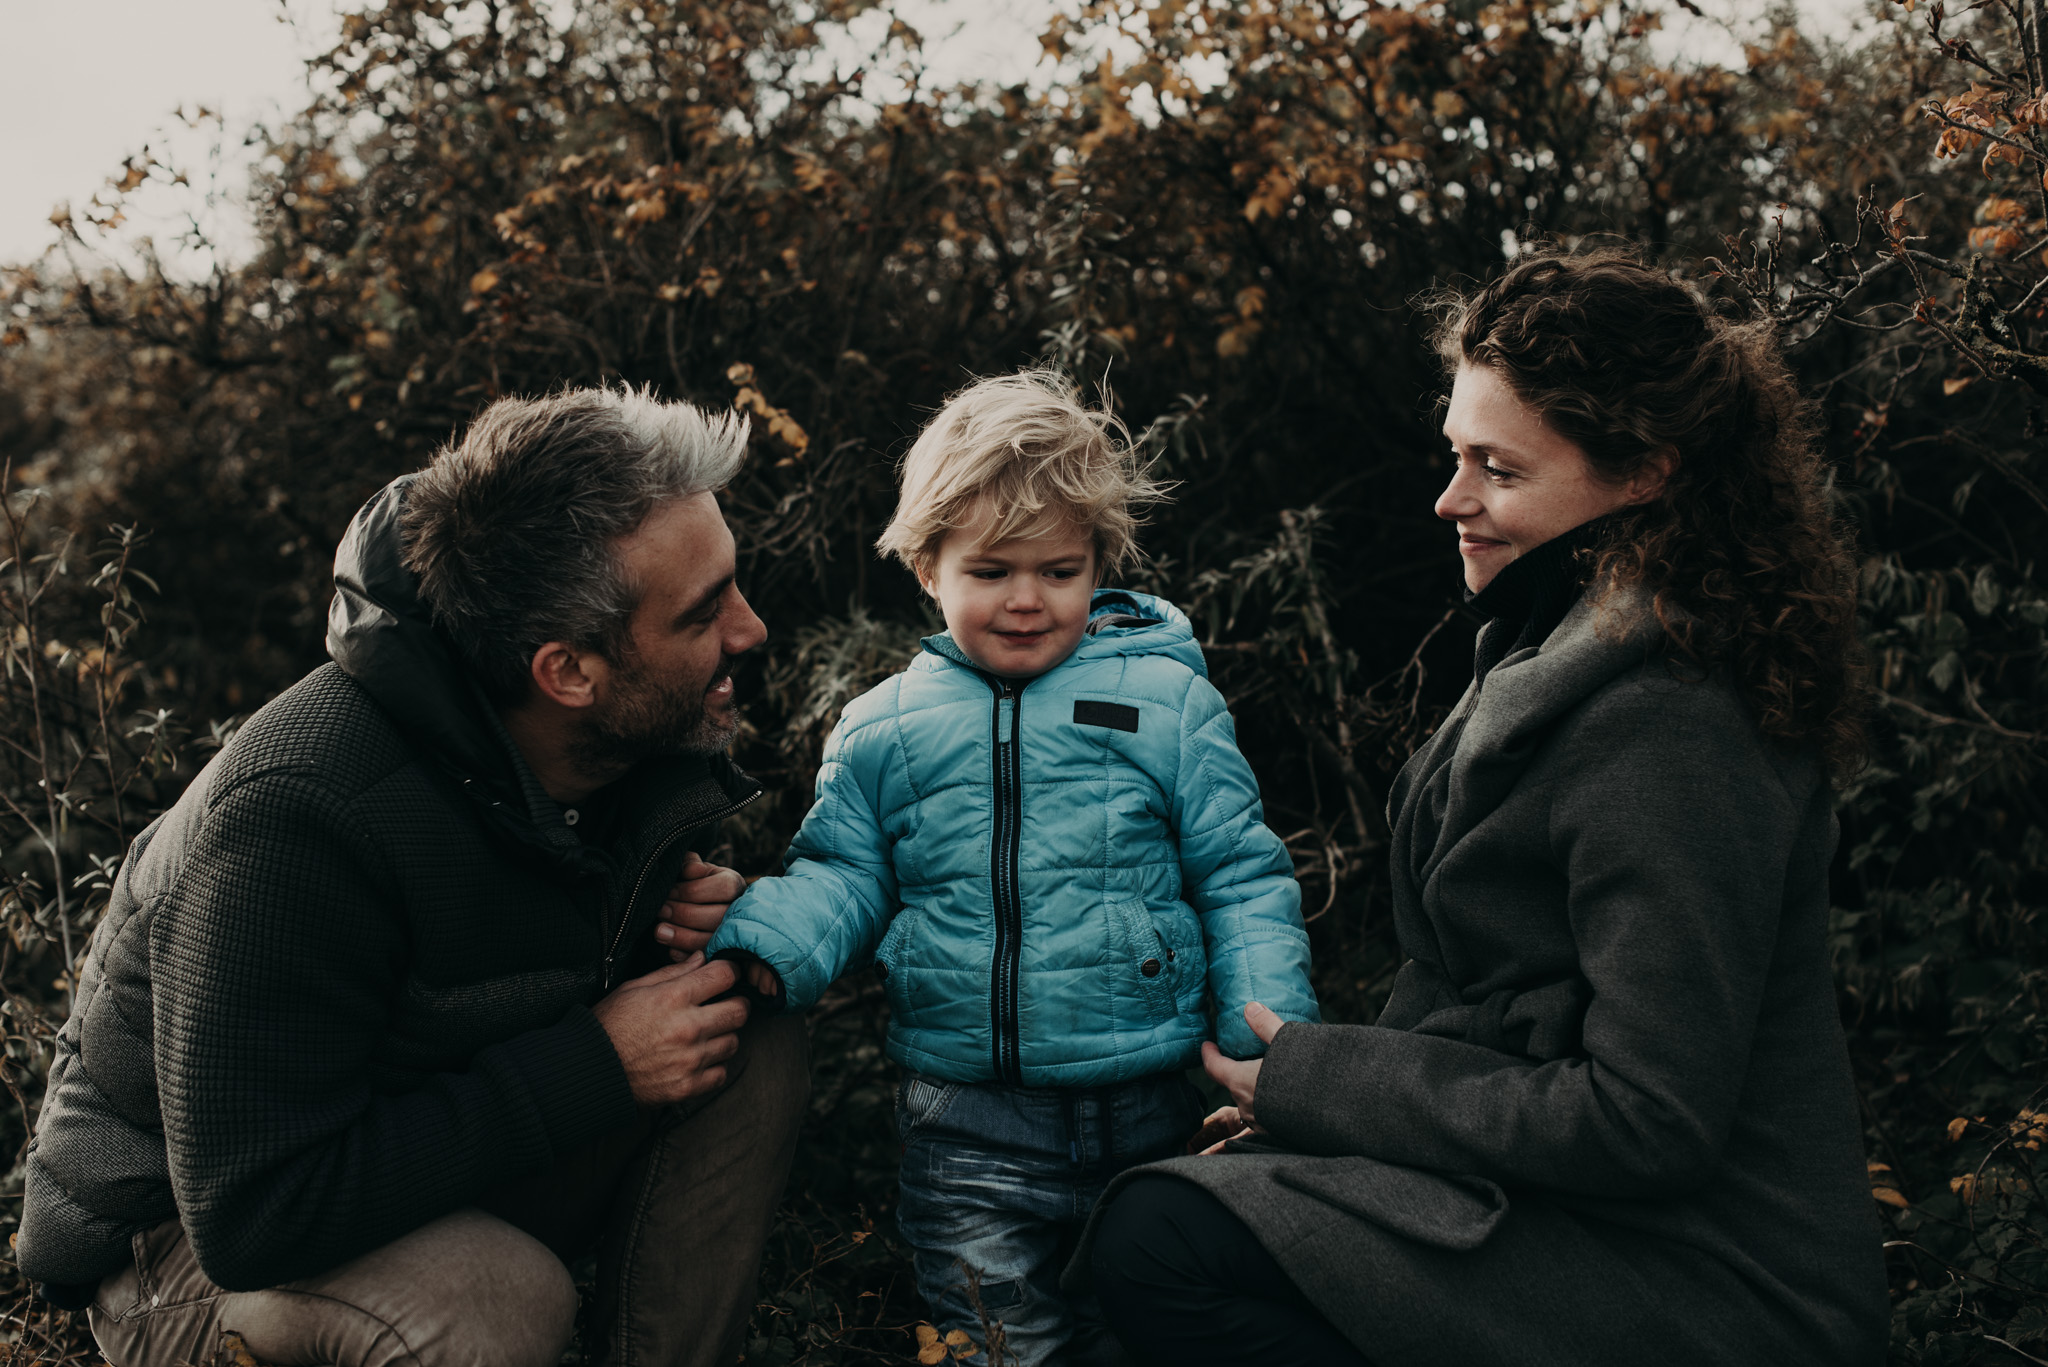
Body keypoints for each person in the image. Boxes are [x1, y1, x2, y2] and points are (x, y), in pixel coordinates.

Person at [1079, 250, 1892, 1366]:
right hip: (1561, 1207)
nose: (1448, 500)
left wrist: (1330, 1084)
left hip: (1711, 1280)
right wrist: (1310, 1117)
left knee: (1162, 1241)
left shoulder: (1673, 726)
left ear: (1644, 471)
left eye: (1497, 470)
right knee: (1173, 1213)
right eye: (1455, 455)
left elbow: (1647, 1117)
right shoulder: (1559, 639)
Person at [17, 386, 809, 1367]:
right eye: (703, 612)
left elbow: (503, 962)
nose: (751, 627)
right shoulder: (296, 817)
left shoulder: (608, 737)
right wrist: (597, 1061)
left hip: (429, 1162)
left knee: (741, 1018)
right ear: (566, 671)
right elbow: (256, 1214)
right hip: (184, 1246)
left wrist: (676, 929)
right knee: (492, 1300)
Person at [697, 370, 1320, 1365]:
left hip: (1156, 1104)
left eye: (1059, 569)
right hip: (967, 1123)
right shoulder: (883, 730)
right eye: (990, 570)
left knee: (1146, 1326)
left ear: (1096, 563)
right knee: (993, 1344)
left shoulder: (1164, 702)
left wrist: (1271, 1044)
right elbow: (842, 872)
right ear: (926, 567)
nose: (1026, 599)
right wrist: (766, 944)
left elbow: (1239, 877)